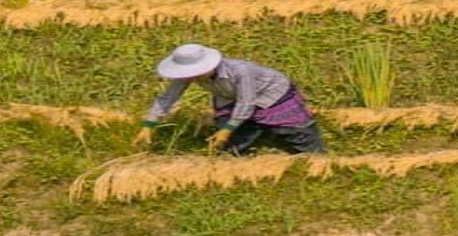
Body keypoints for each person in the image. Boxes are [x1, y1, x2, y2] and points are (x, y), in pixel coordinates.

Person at [136, 43, 325, 156]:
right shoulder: (187, 77)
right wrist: (148, 126)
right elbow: (167, 97)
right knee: (233, 134)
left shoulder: (241, 71)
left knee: (294, 130)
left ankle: (315, 157)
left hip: (271, 94)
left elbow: (246, 102)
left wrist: (226, 131)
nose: (192, 77)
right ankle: (237, 155)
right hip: (230, 96)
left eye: (195, 72)